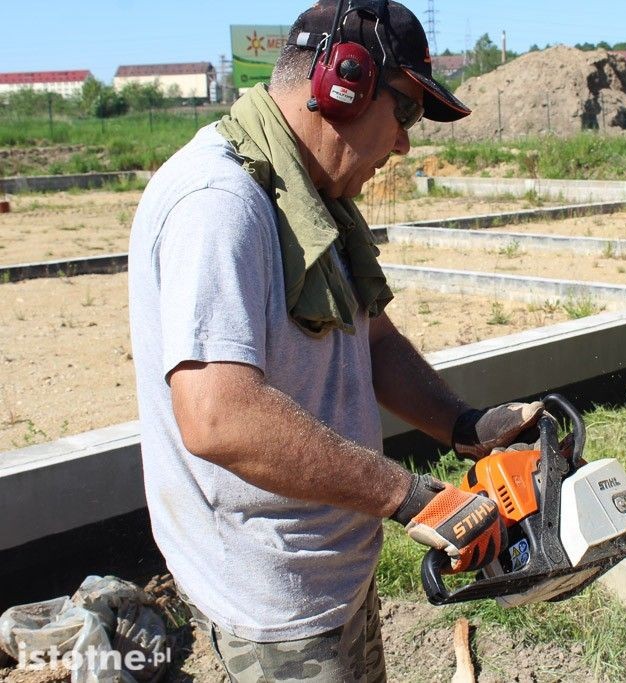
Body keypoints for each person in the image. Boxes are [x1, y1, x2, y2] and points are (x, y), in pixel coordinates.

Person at [128, 2, 542, 680]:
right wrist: (411, 496)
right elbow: (216, 415)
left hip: (334, 575)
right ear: (340, 83)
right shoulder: (219, 202)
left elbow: (370, 339)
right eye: (405, 112)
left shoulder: (308, 193)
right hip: (274, 602)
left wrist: (462, 422)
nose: (406, 143)